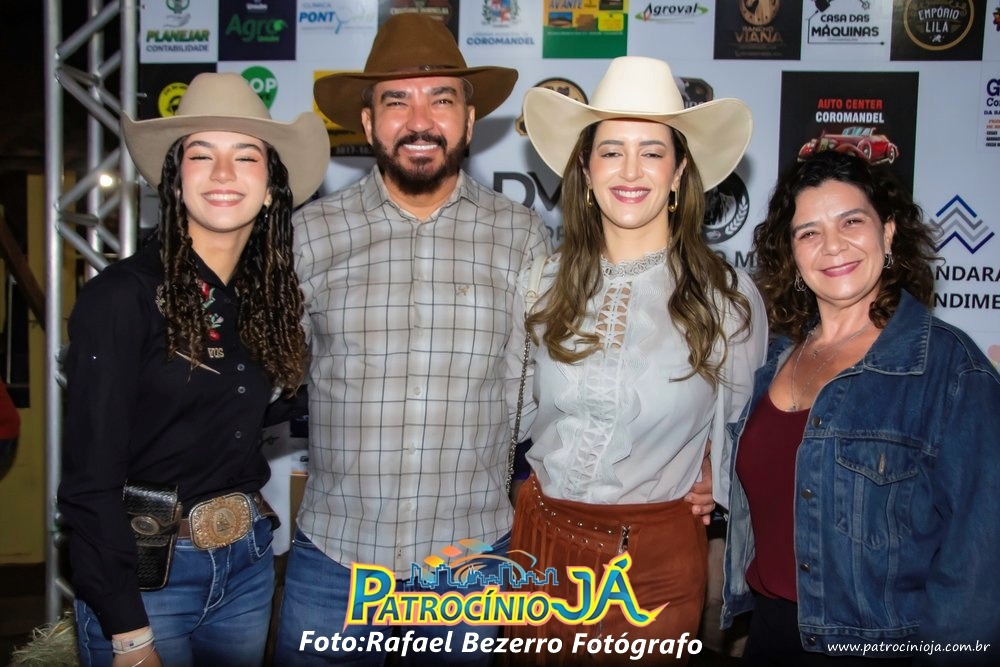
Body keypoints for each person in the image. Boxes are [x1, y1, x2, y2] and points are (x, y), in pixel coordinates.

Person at [271, 14, 552, 666]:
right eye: (396, 101)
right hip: (336, 559)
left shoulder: (522, 238)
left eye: (440, 100)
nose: (419, 121)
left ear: (469, 119)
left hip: (469, 559)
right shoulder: (310, 235)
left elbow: (543, 388)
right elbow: (264, 373)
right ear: (367, 122)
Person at [58, 72, 329, 667]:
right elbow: (88, 485)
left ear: (271, 187)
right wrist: (129, 634)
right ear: (175, 181)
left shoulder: (268, 302)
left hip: (248, 565)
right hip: (146, 579)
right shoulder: (121, 298)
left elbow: (253, 408)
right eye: (201, 155)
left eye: (246, 156)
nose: (224, 173)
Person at [504, 56, 768, 665]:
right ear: (585, 169)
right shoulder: (540, 282)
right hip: (538, 548)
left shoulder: (726, 298)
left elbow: (746, 437)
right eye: (611, 151)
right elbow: (511, 418)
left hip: (650, 565)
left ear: (679, 173)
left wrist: (717, 476)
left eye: (652, 152)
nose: (630, 170)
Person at [722, 150, 1000, 666]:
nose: (833, 245)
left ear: (888, 233)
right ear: (792, 253)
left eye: (851, 221)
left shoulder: (951, 372)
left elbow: (980, 567)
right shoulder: (775, 359)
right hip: (768, 635)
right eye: (809, 232)